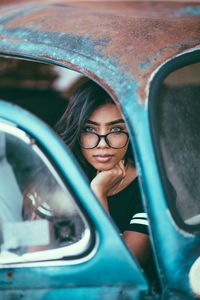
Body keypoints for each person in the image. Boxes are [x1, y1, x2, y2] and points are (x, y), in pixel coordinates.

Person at [55, 80, 151, 268]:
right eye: (90, 129)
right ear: (77, 131)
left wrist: (99, 193)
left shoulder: (150, 189)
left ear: (131, 132)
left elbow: (119, 267)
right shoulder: (60, 179)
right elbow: (38, 256)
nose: (102, 143)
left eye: (116, 129)